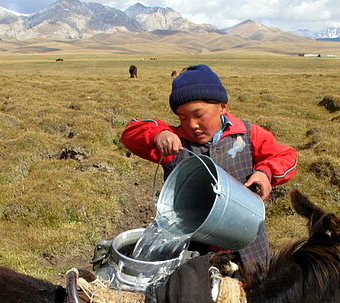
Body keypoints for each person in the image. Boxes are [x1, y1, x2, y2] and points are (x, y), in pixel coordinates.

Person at [120, 64, 297, 273]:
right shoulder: (176, 143)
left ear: (222, 107)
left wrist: (266, 172)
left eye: (199, 115)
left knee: (257, 296)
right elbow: (130, 133)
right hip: (196, 250)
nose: (192, 125)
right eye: (183, 118)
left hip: (248, 245)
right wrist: (158, 134)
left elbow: (286, 155)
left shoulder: (248, 135)